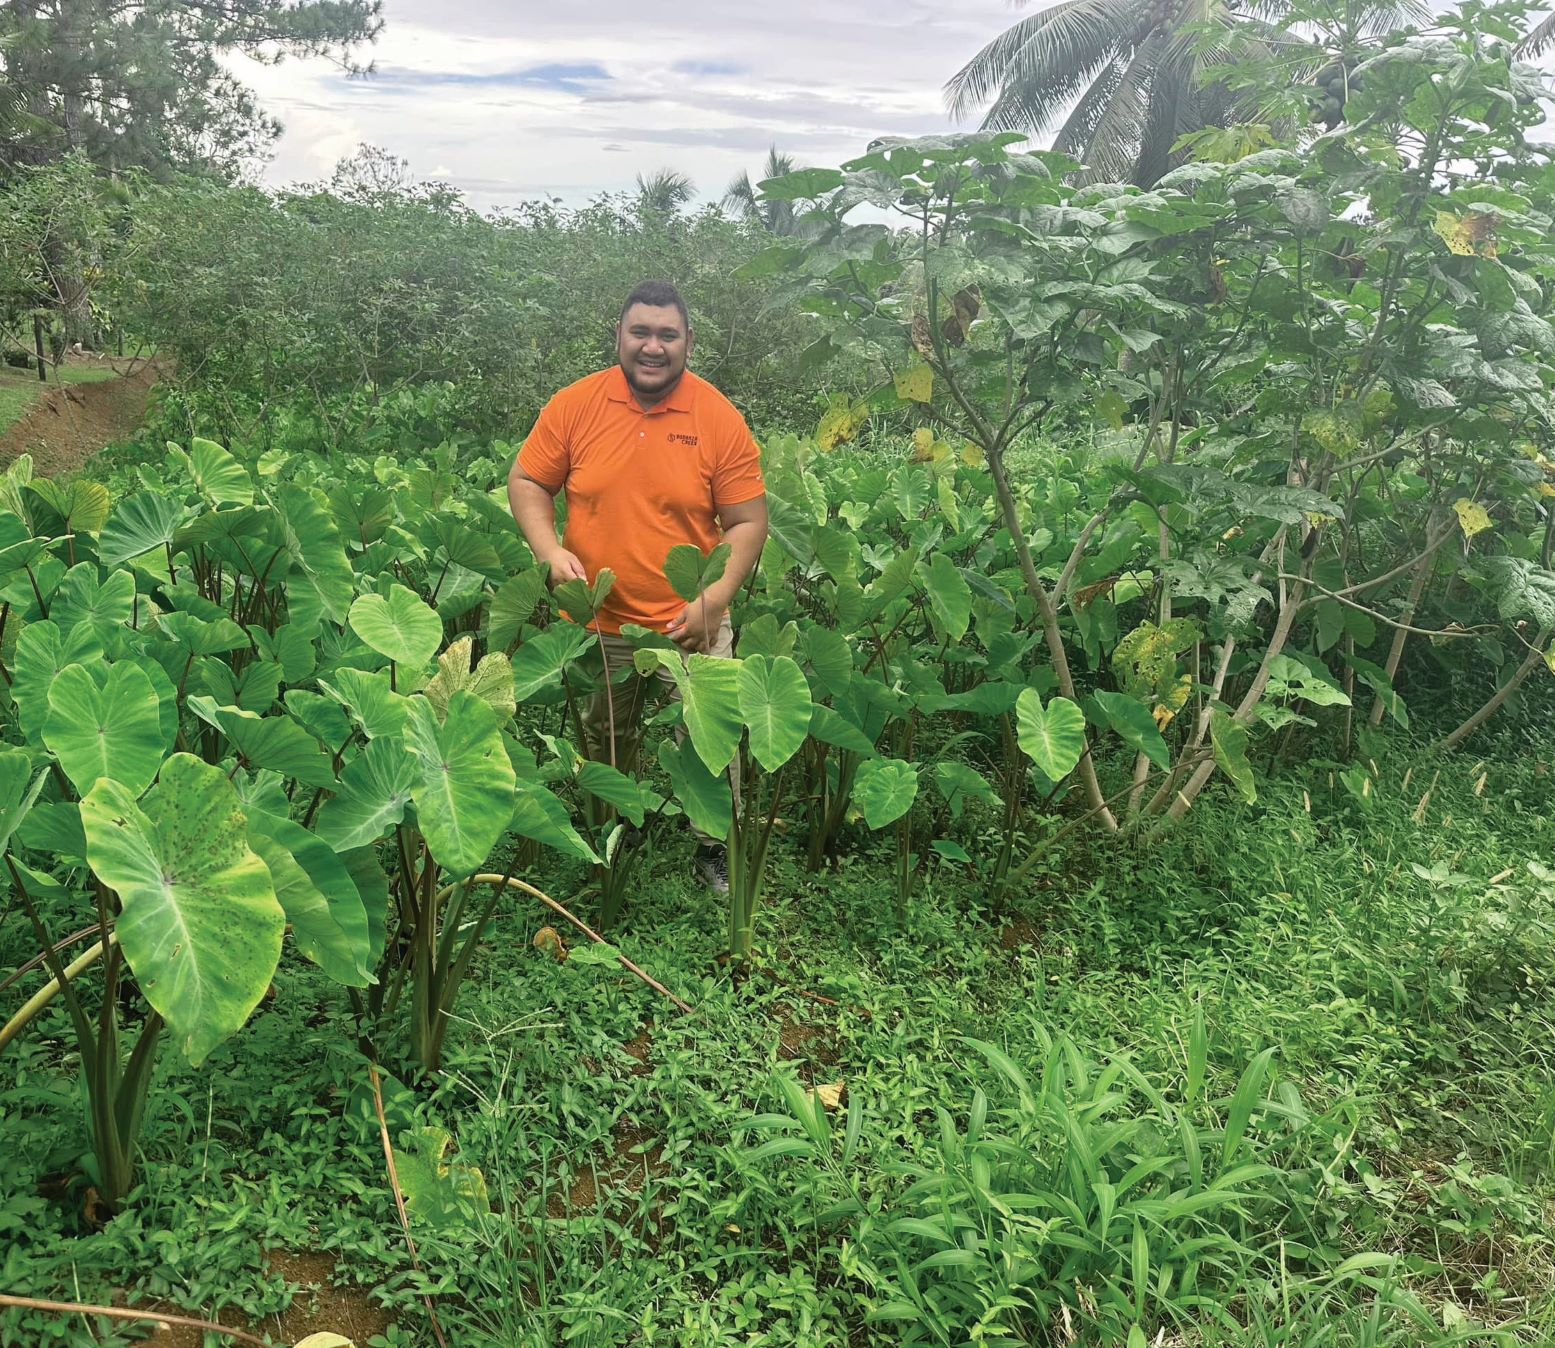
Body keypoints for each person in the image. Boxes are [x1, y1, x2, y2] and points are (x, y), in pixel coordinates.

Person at [508, 280, 769, 893]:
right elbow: (528, 481)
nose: (653, 347)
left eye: (667, 335)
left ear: (688, 342)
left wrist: (713, 602)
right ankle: (613, 830)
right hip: (601, 615)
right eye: (641, 333)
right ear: (620, 337)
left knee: (710, 736)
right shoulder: (575, 405)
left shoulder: (717, 417)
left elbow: (748, 520)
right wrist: (550, 551)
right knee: (605, 734)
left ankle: (712, 849)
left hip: (692, 618)